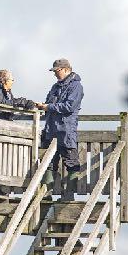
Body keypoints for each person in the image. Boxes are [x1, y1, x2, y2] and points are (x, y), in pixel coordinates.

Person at [36, 58, 84, 201]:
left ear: (65, 69)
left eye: (57, 71)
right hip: (51, 130)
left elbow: (69, 106)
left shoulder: (76, 86)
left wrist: (48, 107)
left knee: (71, 162)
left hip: (66, 130)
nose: (55, 74)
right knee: (49, 163)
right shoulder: (55, 86)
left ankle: (69, 195)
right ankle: (46, 194)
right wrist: (42, 106)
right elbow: (49, 103)